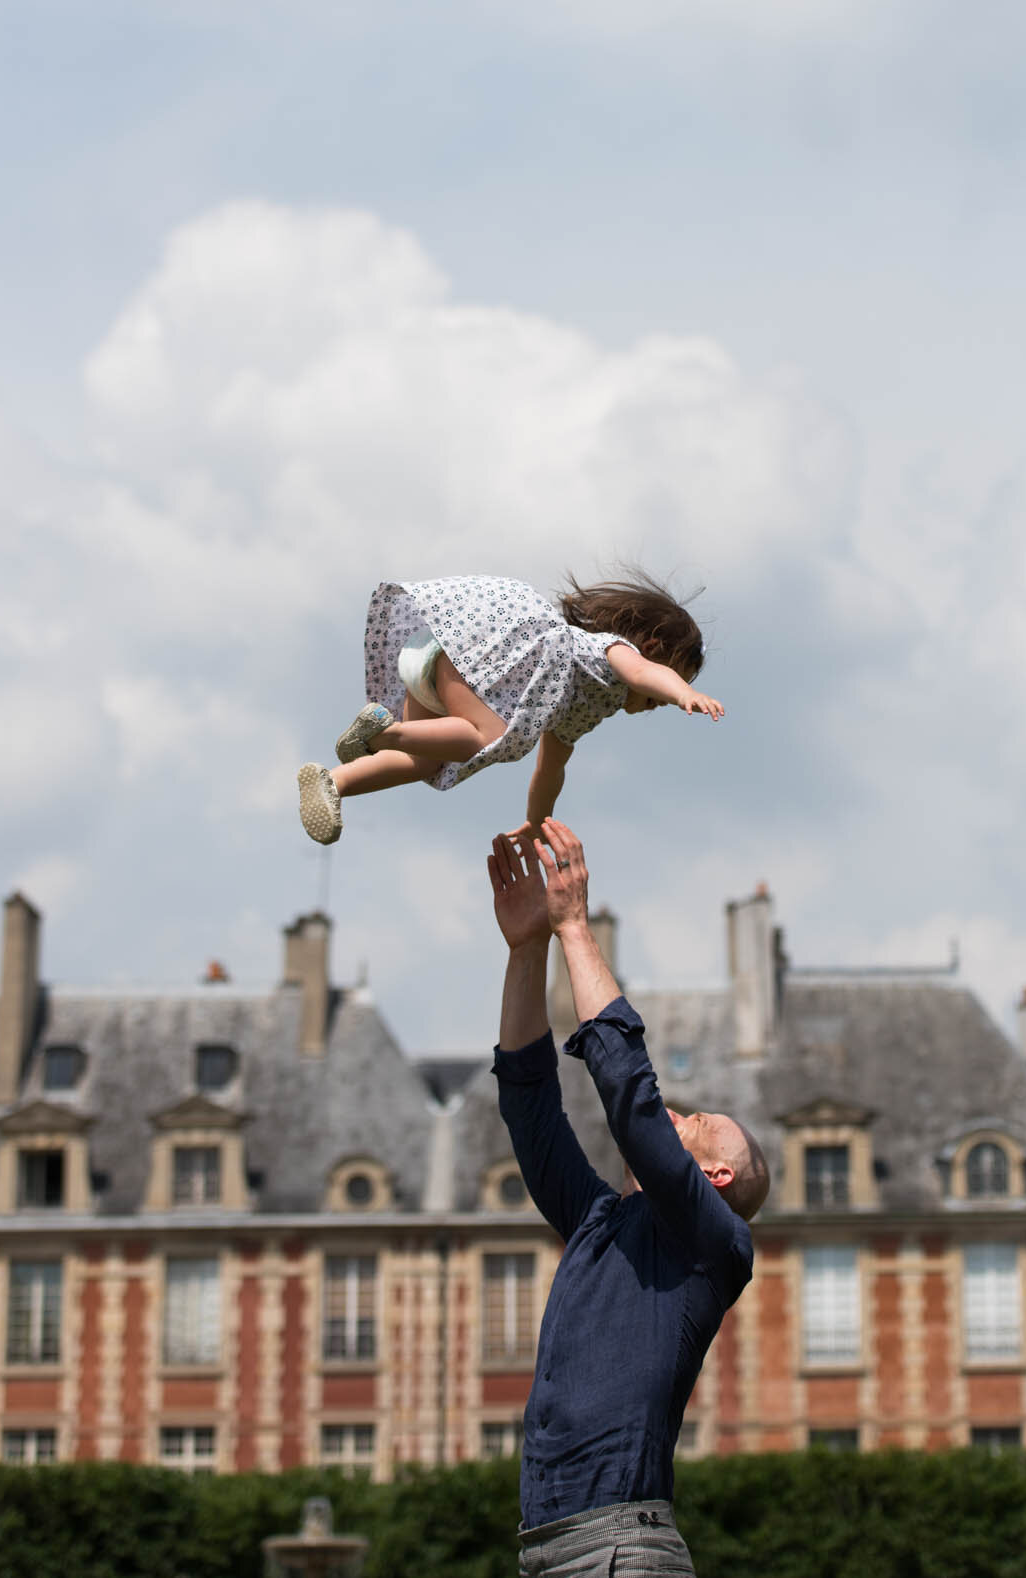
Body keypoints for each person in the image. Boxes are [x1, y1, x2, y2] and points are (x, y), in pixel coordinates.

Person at [488, 820, 769, 1578]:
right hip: (546, 1549)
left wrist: (573, 926)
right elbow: (528, 1102)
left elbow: (631, 1101)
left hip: (621, 1547)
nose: (678, 1113)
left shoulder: (713, 1248)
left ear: (712, 1180)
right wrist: (527, 950)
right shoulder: (597, 1223)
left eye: (699, 1125)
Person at [297, 573, 723, 845]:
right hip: (460, 656)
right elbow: (646, 673)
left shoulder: (578, 707)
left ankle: (332, 783)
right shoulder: (610, 652)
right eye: (659, 697)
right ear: (649, 649)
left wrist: (538, 824)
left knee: (424, 762)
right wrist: (683, 694)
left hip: (428, 662)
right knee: (490, 737)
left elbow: (550, 771)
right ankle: (380, 735)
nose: (653, 706)